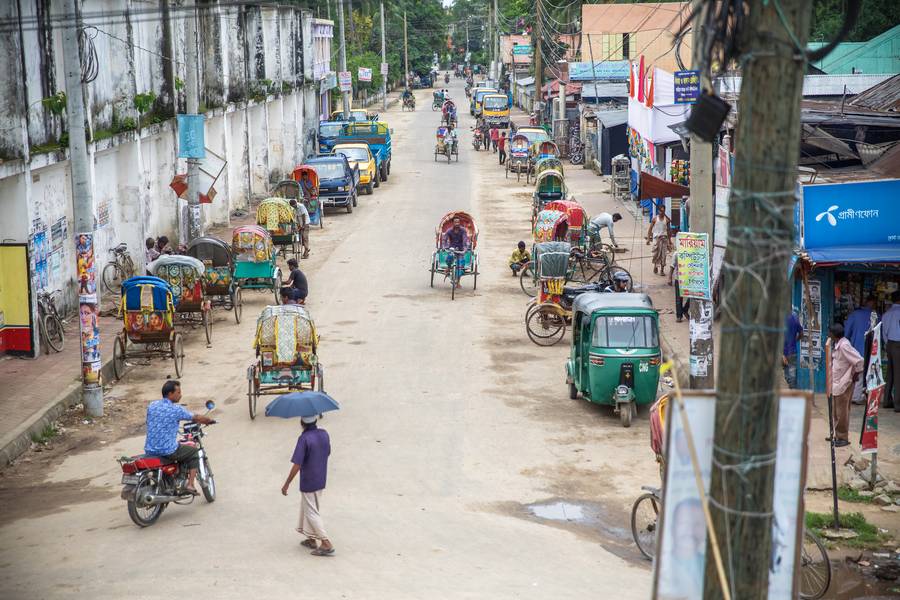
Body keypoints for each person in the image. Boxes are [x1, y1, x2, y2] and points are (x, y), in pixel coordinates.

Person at [144, 380, 214, 496]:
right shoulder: (176, 410)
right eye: (178, 392)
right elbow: (195, 417)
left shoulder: (152, 406)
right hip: (167, 450)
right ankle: (190, 484)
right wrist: (209, 420)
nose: (180, 395)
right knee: (193, 452)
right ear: (170, 394)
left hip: (149, 450)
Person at [282, 415, 334, 556]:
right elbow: (327, 452)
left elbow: (297, 464)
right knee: (308, 507)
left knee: (311, 512)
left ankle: (326, 543)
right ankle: (311, 538)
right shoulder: (324, 434)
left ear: (301, 423)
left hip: (309, 480)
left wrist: (286, 483)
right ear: (316, 420)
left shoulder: (304, 439)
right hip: (321, 477)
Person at [830, 323, 863, 447]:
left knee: (842, 412)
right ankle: (837, 435)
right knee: (836, 411)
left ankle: (842, 437)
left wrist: (855, 375)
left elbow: (859, 360)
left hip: (844, 383)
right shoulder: (839, 344)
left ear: (834, 335)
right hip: (837, 382)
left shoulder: (844, 346)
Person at [844, 296, 878, 404]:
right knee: (866, 373)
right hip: (872, 349)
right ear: (872, 304)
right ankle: (858, 396)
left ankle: (855, 395)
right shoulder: (876, 316)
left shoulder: (854, 315)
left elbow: (846, 333)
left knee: (856, 372)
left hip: (856, 348)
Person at [882, 290, 900, 411]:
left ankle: (887, 400)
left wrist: (887, 344)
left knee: (890, 373)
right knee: (898, 375)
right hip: (898, 344)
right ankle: (898, 404)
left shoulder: (887, 314)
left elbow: (884, 332)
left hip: (889, 344)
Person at [646, 206, 671, 275]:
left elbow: (669, 231)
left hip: (664, 239)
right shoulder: (654, 219)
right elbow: (650, 229)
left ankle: (662, 270)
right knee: (656, 254)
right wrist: (648, 238)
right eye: (660, 211)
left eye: (663, 211)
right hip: (656, 239)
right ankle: (655, 266)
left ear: (664, 211)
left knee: (663, 255)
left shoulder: (667, 220)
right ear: (658, 211)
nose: (661, 212)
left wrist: (670, 241)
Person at [783, 310, 803, 389]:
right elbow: (801, 334)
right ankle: (794, 393)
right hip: (793, 352)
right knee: (791, 376)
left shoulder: (780, 318)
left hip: (784, 352)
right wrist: (795, 340)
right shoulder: (794, 317)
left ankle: (794, 394)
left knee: (789, 376)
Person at [668, 250, 687, 322]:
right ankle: (679, 316)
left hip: (689, 278)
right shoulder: (676, 253)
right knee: (679, 298)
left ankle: (685, 309)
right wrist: (669, 278)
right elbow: (672, 266)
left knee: (693, 295)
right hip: (679, 278)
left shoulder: (691, 252)